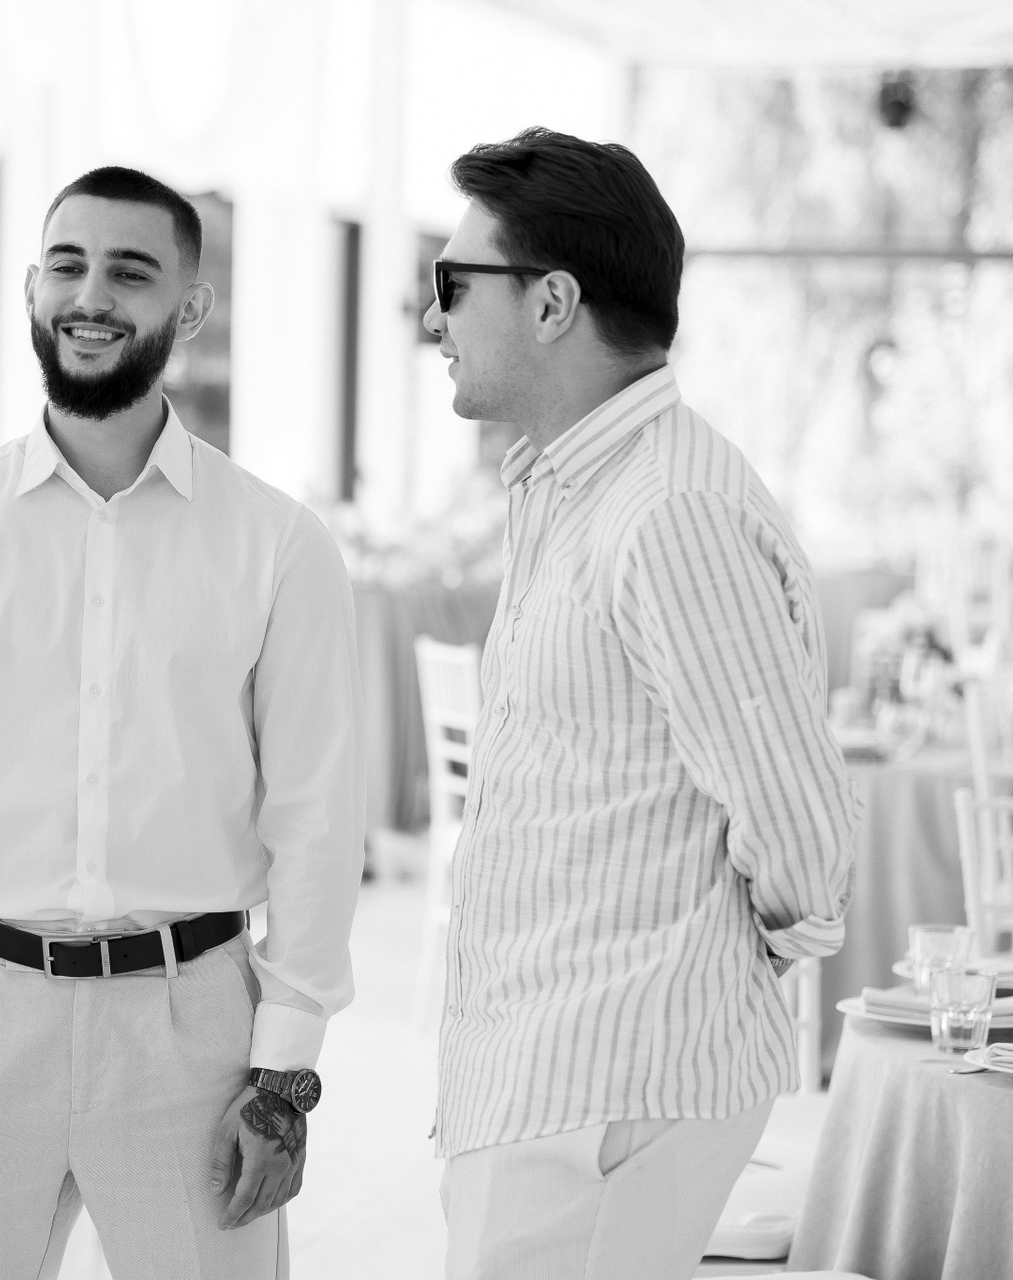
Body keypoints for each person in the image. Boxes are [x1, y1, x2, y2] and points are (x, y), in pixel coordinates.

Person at [0, 166, 365, 1280]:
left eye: (131, 272)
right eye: (68, 266)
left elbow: (318, 824)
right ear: (32, 286)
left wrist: (281, 1074)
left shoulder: (278, 544)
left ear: (191, 306)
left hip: (195, 1027)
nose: (91, 296)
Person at [422, 127, 859, 1280]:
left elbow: (803, 832)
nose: (433, 317)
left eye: (453, 283)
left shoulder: (669, 510)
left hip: (608, 1086)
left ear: (552, 301)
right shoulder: (577, 486)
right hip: (550, 1078)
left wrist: (702, 976)